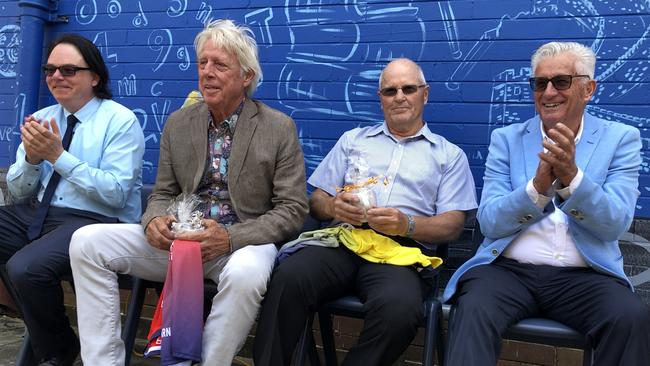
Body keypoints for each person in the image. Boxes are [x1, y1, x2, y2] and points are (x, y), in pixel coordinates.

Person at [69, 19, 308, 366]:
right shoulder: (179, 123)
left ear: (246, 77)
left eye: (220, 64)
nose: (207, 72)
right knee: (86, 242)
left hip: (239, 245)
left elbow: (292, 210)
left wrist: (229, 237)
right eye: (203, 63)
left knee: (247, 274)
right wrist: (153, 220)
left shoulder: (277, 127)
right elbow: (162, 192)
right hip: (177, 243)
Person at [254, 58, 478, 366]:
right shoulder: (353, 140)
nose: (399, 97)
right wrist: (333, 206)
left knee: (399, 311)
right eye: (390, 91)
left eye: (408, 89)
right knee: (288, 279)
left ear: (424, 94)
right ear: (380, 99)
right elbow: (315, 201)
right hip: (344, 240)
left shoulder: (449, 156)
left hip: (400, 255)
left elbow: (452, 226)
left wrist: (407, 225)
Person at [444, 41, 650, 365]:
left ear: (588, 89)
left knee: (629, 318)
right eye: (540, 83)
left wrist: (572, 178)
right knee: (473, 308)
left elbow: (615, 223)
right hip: (508, 271)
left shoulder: (620, 139)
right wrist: (537, 188)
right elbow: (490, 222)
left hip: (585, 276)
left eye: (561, 81)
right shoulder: (507, 139)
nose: (549, 92)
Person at [0, 34, 145, 365]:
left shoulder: (120, 121)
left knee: (25, 268)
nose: (56, 77)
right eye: (50, 69)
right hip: (40, 213)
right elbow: (20, 192)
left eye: (68, 69)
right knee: (21, 264)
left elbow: (115, 193)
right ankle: (56, 338)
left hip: (95, 222)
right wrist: (33, 161)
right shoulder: (41, 119)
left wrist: (59, 156)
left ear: (94, 77)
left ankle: (56, 353)